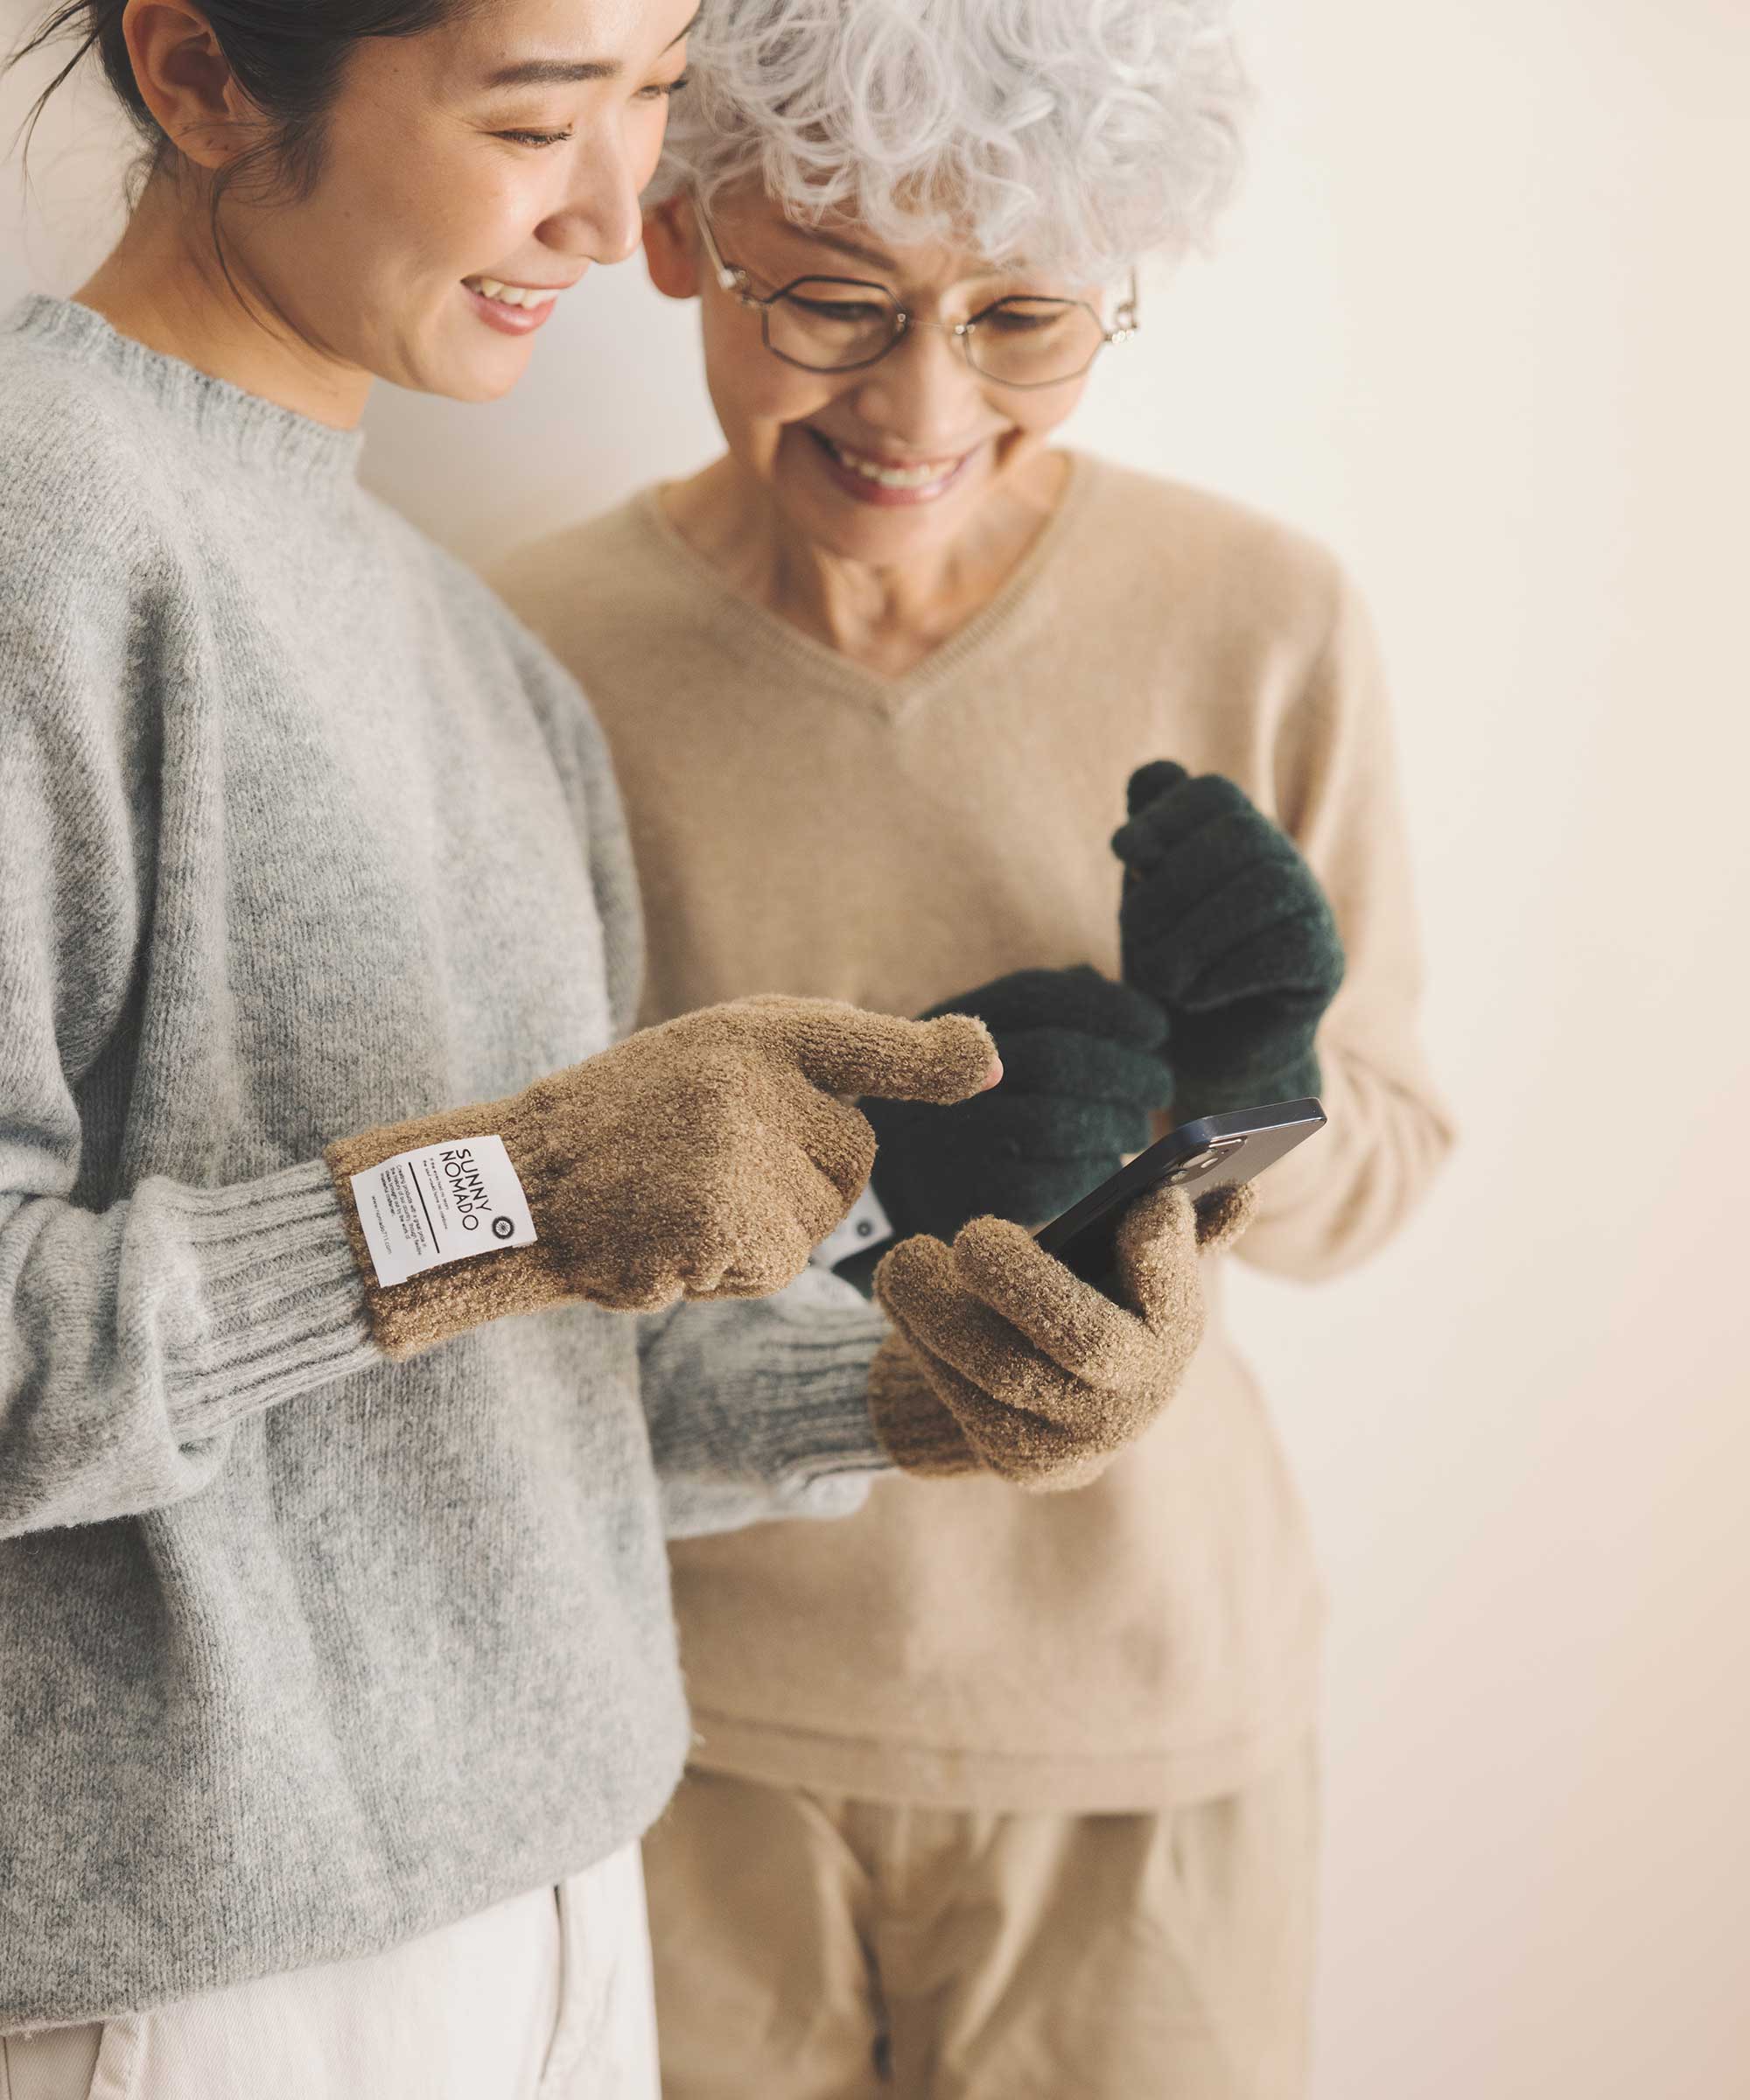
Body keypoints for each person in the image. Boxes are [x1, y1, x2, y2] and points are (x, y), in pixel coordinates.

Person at [0, 2, 1242, 2093]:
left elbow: (540, 1391)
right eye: (538, 113)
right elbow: (441, 1250)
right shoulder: (42, 526)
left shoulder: (483, 660)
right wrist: (508, 1198)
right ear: (206, 73)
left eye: (656, 97)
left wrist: (919, 1389)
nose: (616, 201)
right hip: (205, 1972)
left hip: (565, 1908)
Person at [494, 1, 1458, 2093]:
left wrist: (1241, 1078)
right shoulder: (530, 655)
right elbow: (508, 1227)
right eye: (832, 304)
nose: (922, 402)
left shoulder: (1259, 614)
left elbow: (1384, 1160)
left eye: (1022, 316)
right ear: (679, 233)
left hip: (1133, 1723)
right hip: (681, 1726)